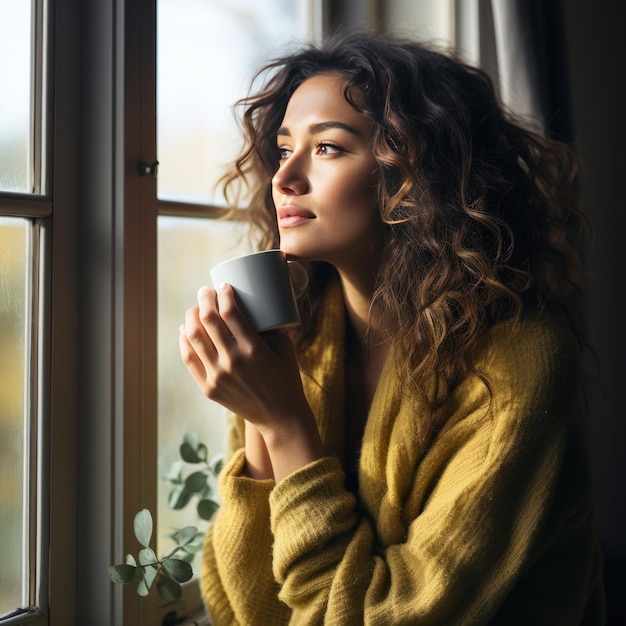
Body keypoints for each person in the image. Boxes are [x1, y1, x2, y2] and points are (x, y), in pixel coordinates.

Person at [179, 32, 605, 625]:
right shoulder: (299, 336)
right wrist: (261, 417)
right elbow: (249, 610)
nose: (285, 178)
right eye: (283, 150)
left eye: (327, 148)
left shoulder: (518, 362)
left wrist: (283, 420)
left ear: (415, 174)